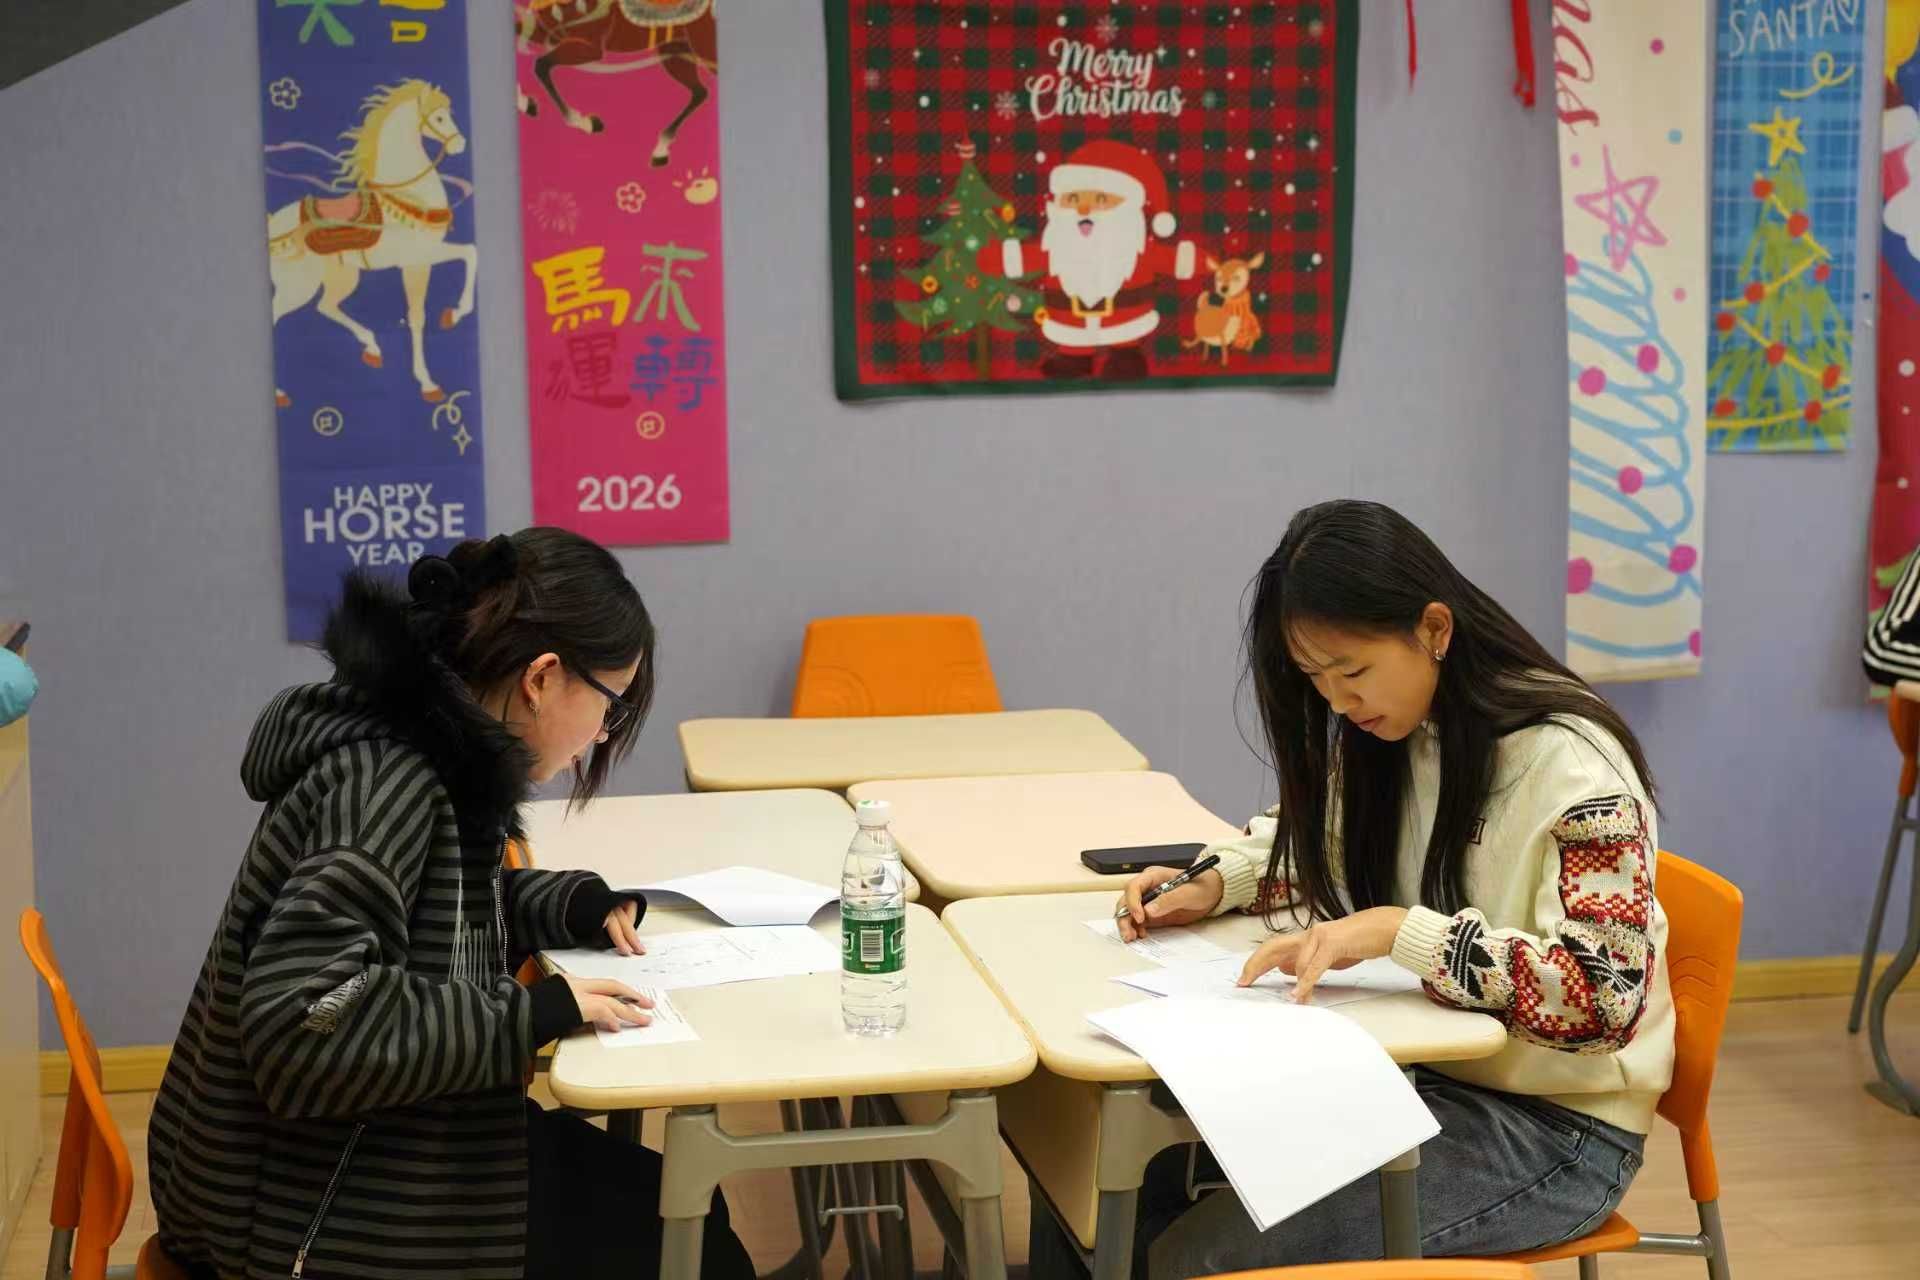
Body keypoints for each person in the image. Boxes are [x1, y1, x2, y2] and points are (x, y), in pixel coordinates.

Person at [1035, 499, 1673, 1278]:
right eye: (1315, 678)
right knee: (1112, 1194)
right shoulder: (1399, 729)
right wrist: (1219, 880)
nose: (1337, 701)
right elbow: (1322, 840)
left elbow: (1602, 999)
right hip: (1416, 1077)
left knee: (1198, 1256)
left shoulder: (1573, 767)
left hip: (1559, 1130)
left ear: (1434, 629)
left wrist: (1401, 931)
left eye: (1352, 671)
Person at [148, 530, 754, 1279]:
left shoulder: (428, 754)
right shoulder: (390, 784)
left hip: (356, 1154)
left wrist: (570, 906)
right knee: (692, 1242)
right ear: (542, 677)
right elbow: (303, 1024)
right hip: (309, 1216)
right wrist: (531, 1014)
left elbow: (434, 908)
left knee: (691, 1205)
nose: (603, 734)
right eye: (609, 707)